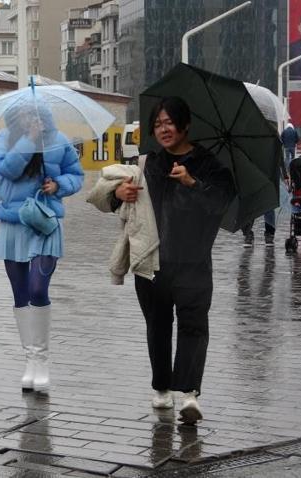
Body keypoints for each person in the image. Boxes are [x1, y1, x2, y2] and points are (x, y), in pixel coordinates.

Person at [110, 97, 234, 424]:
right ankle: (162, 387)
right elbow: (115, 198)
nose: (163, 129)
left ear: (185, 124)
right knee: (158, 326)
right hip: (153, 262)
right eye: (157, 124)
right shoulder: (149, 163)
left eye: (169, 123)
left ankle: (189, 394)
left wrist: (193, 183)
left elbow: (221, 203)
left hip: (194, 261)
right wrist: (119, 194)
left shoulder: (209, 164)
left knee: (194, 326)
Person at [0, 101, 84, 393]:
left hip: (44, 223)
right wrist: (29, 139)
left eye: (33, 112)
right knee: (20, 294)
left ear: (42, 113)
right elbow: (6, 169)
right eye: (23, 112)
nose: (28, 116)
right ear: (14, 115)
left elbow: (76, 175)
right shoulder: (5, 138)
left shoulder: (58, 140)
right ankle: (30, 360)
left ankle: (41, 361)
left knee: (37, 289)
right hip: (13, 223)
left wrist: (59, 185)